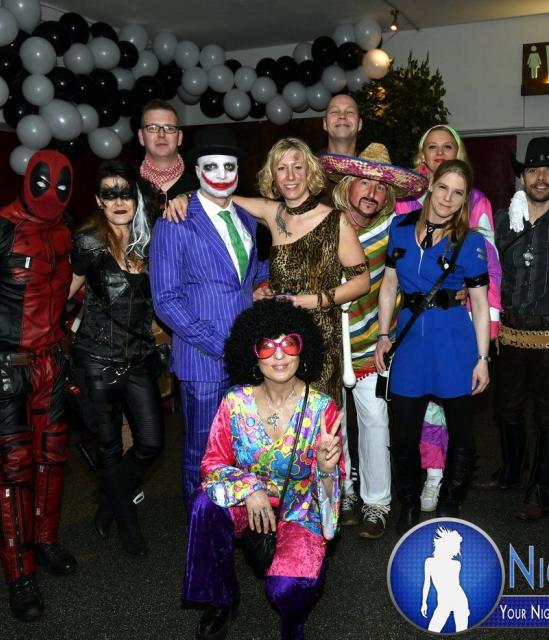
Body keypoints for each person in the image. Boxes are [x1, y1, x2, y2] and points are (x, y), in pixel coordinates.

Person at [182, 298, 343, 640]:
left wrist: (326, 469)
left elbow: (332, 498)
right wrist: (249, 488)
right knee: (203, 505)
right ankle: (221, 599)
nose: (279, 356)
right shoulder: (235, 402)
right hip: (249, 504)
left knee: (288, 590)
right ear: (252, 354)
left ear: (302, 350)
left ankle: (294, 619)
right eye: (267, 346)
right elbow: (211, 464)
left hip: (300, 510)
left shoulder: (322, 409)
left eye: (289, 344)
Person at [150, 126, 270, 503]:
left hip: (247, 357)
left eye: (228, 166)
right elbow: (165, 300)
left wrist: (266, 285)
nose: (221, 174)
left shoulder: (247, 219)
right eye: (212, 166)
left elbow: (249, 276)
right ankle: (202, 523)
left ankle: (236, 515)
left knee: (242, 445)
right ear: (197, 171)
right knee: (203, 450)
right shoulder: (174, 221)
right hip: (202, 359)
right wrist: (221, 345)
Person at [374, 159, 490, 533]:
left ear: (464, 200)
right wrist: (383, 335)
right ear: (430, 185)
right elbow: (389, 285)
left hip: (454, 342)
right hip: (409, 342)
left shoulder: (470, 242)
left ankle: (451, 502)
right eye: (443, 187)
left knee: (462, 433)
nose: (447, 198)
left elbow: (480, 304)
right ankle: (408, 504)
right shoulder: (400, 227)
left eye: (458, 193)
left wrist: (482, 358)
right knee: (403, 435)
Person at [320, 143, 428, 538]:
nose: (372, 193)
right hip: (327, 343)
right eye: (364, 183)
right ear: (347, 185)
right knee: (331, 424)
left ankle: (377, 503)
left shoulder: (395, 229)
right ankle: (343, 493)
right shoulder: (322, 224)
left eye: (381, 187)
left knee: (375, 421)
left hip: (373, 344)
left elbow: (434, 240)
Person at [397, 124, 502, 513]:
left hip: (454, 330)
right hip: (411, 334)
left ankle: (446, 492)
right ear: (422, 158)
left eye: (448, 146)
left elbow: (488, 278)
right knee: (409, 424)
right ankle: (416, 494)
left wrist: (486, 343)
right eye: (432, 146)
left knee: (454, 422)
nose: (440, 153)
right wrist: (384, 334)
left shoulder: (476, 209)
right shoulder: (402, 209)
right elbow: (389, 276)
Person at [484, 137, 549, 523]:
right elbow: (483, 271)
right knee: (506, 409)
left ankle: (544, 489)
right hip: (509, 335)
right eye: (533, 170)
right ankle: (512, 472)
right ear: (522, 176)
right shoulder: (500, 221)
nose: (541, 177)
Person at [69, 160, 164, 556]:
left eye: (125, 192)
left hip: (139, 356)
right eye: (110, 194)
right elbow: (63, 292)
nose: (119, 201)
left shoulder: (151, 239)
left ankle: (110, 499)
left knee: (151, 442)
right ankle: (128, 523)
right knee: (108, 445)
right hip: (96, 357)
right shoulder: (88, 242)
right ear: (99, 200)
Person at [232, 137, 370, 403]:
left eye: (298, 167)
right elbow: (219, 198)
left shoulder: (335, 221)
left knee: (319, 417)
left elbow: (362, 282)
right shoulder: (272, 212)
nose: (290, 176)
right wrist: (185, 197)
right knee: (284, 413)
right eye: (281, 168)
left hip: (321, 338)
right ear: (273, 176)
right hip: (281, 339)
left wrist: (315, 300)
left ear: (310, 172)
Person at [0, 150, 77, 622]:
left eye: (63, 186)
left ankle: (45, 542)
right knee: (14, 470)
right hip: (7, 366)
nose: (53, 193)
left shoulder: (66, 233)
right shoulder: (3, 228)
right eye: (45, 182)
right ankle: (19, 572)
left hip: (51, 363)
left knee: (52, 458)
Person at [138, 98, 199, 200]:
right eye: (153, 128)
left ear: (179, 137)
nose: (161, 134)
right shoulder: (128, 185)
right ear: (141, 137)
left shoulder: (201, 187)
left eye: (169, 128)